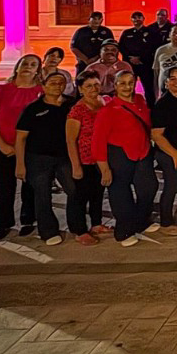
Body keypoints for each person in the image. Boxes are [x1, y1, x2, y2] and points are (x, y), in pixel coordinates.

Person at [92, 71, 159, 247]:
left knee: (149, 187)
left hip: (143, 152)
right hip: (119, 155)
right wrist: (104, 168)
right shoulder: (108, 110)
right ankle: (123, 231)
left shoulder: (140, 100)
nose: (127, 87)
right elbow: (98, 141)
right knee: (121, 194)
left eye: (130, 83)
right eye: (122, 83)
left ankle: (141, 221)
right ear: (115, 85)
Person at [0, 53, 43, 241]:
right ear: (17, 67)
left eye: (33, 65)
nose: (28, 67)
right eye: (24, 63)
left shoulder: (41, 92)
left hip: (30, 148)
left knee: (30, 187)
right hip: (3, 148)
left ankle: (28, 220)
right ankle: (2, 224)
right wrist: (3, 146)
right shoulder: (2, 91)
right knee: (3, 187)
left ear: (37, 71)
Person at [15, 71, 77, 246]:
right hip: (38, 158)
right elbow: (20, 138)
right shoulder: (33, 109)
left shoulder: (71, 105)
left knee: (74, 189)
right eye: (53, 83)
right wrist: (20, 164)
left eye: (61, 83)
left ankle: (76, 226)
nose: (57, 86)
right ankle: (48, 231)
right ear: (43, 86)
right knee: (42, 194)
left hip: (64, 157)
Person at [66, 72, 110, 245]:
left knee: (97, 193)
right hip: (85, 159)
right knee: (80, 196)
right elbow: (70, 140)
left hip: (102, 158)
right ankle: (79, 230)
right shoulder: (77, 110)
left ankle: (96, 223)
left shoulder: (105, 101)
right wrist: (76, 166)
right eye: (89, 86)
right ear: (80, 89)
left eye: (96, 84)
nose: (94, 89)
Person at [150, 68, 177, 236]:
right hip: (169, 151)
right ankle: (166, 222)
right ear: (166, 83)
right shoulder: (163, 104)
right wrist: (175, 154)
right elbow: (156, 135)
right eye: (172, 78)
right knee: (172, 185)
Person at [120, 11, 162, 106]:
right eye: (134, 18)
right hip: (130, 65)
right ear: (131, 20)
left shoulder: (151, 32)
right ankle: (129, 105)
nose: (137, 19)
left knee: (149, 89)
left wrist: (141, 58)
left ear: (143, 19)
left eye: (139, 17)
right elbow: (122, 47)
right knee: (129, 87)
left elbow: (154, 48)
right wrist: (130, 58)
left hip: (146, 65)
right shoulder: (126, 33)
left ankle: (151, 108)